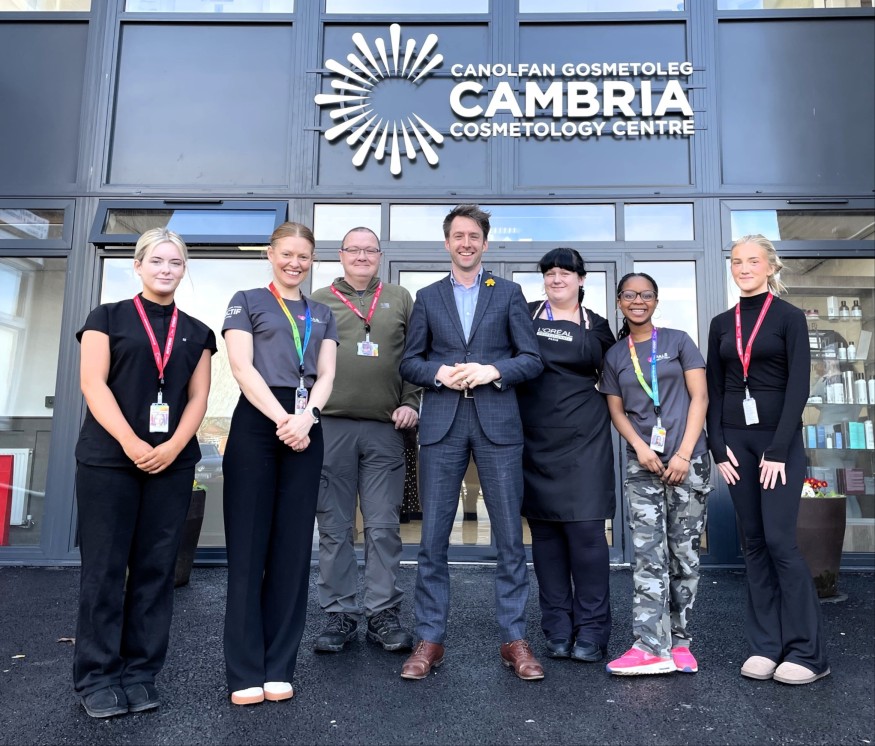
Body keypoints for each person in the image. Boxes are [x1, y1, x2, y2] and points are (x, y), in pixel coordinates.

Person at [398, 204, 544, 681]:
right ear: (447, 243)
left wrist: (492, 370)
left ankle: (514, 639)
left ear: (485, 242)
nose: (466, 243)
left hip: (498, 424)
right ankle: (429, 639)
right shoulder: (428, 297)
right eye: (458, 236)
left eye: (473, 236)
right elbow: (409, 362)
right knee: (432, 541)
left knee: (509, 540)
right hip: (442, 425)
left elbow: (531, 359)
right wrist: (439, 373)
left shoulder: (509, 293)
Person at [74, 228, 215, 718]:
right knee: (105, 570)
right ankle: (97, 676)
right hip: (109, 461)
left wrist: (173, 446)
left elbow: (199, 397)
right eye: (156, 261)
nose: (166, 269)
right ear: (137, 266)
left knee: (156, 572)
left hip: (171, 465)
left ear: (183, 269)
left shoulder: (197, 332)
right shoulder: (106, 318)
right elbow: (93, 384)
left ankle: (140, 673)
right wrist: (132, 443)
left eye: (175, 262)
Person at [222, 222, 338, 705]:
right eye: (287, 253)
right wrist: (283, 420)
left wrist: (307, 418)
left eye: (304, 256)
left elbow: (327, 374)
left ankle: (278, 666)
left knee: (292, 550)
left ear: (312, 261)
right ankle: (245, 670)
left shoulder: (322, 312)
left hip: (307, 423)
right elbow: (241, 367)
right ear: (270, 254)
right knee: (249, 547)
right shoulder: (246, 300)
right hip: (259, 420)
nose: (295, 263)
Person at [706, 234, 829, 685]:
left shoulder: (789, 317)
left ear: (771, 267)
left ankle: (808, 653)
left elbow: (799, 386)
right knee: (753, 544)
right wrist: (717, 446)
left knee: (780, 542)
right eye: (737, 261)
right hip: (735, 445)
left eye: (753, 261)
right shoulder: (722, 323)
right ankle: (766, 646)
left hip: (778, 443)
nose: (743, 268)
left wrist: (777, 450)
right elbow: (715, 387)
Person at [310, 226, 420, 654]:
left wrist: (411, 401)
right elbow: (305, 358)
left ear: (379, 256)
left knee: (383, 528)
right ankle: (339, 614)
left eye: (369, 250)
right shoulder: (318, 300)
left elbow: (414, 355)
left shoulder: (399, 298)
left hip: (385, 428)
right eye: (353, 250)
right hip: (330, 426)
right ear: (340, 255)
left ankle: (382, 614)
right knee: (334, 528)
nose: (361, 256)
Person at [599, 272, 711, 676]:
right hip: (643, 464)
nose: (638, 301)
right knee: (649, 556)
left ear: (656, 301)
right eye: (629, 295)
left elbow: (700, 397)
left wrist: (683, 453)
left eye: (645, 295)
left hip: (689, 460)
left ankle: (679, 642)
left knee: (684, 556)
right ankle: (649, 644)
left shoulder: (678, 341)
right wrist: (641, 447)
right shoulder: (615, 355)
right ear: (619, 302)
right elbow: (616, 411)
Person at [515, 248, 616, 663]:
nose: (557, 279)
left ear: (581, 279)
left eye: (565, 272)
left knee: (587, 536)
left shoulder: (598, 326)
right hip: (534, 439)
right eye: (550, 273)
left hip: (584, 439)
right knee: (546, 539)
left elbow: (617, 378)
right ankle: (557, 628)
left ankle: (592, 630)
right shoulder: (524, 315)